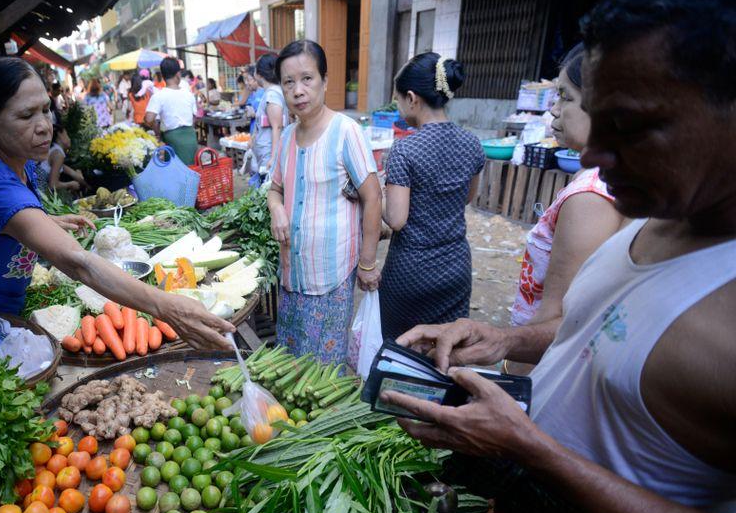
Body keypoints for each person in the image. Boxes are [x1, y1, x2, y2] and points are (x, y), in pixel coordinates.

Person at [383, 0, 736, 513]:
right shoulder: (663, 210)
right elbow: (605, 327)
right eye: (597, 119)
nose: (596, 154)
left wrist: (533, 448)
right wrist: (506, 339)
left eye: (631, 125)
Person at [0, 56, 233, 349]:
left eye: (46, 109)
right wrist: (166, 307)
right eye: (26, 115)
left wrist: (45, 223)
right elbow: (78, 263)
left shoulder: (8, 157)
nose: (45, 125)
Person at [507, 43, 624, 372]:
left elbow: (559, 315)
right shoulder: (600, 179)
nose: (553, 111)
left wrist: (511, 373)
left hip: (543, 365)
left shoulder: (589, 196)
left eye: (565, 97)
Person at [267, 40, 382, 364]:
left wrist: (368, 262)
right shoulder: (288, 136)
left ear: (325, 81)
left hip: (331, 277)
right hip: (292, 276)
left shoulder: (346, 132)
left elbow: (373, 196)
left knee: (322, 376)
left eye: (307, 79)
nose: (298, 90)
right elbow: (274, 189)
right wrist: (277, 208)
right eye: (288, 82)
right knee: (289, 365)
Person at [378, 52, 485, 340]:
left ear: (412, 98)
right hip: (455, 269)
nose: (399, 107)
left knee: (402, 352)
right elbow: (467, 197)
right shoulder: (472, 143)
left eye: (398, 100)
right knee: (445, 349)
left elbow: (396, 219)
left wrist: (379, 194)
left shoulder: (405, 149)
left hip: (411, 273)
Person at [144, 57, 199, 165]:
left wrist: (157, 131)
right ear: (178, 74)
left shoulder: (159, 96)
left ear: (163, 76)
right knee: (191, 171)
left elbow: (148, 119)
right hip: (191, 138)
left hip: (173, 140)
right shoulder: (188, 94)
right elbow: (194, 119)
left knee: (175, 172)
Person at [249, 54, 288, 188]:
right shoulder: (273, 92)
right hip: (266, 152)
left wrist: (273, 157)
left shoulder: (272, 94)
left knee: (268, 190)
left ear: (259, 74)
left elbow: (277, 127)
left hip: (268, 153)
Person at [34, 122, 87, 194]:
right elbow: (53, 185)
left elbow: (67, 170)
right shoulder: (58, 154)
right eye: (66, 134)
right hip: (40, 194)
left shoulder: (52, 149)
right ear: (60, 134)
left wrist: (77, 176)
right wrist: (71, 184)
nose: (69, 139)